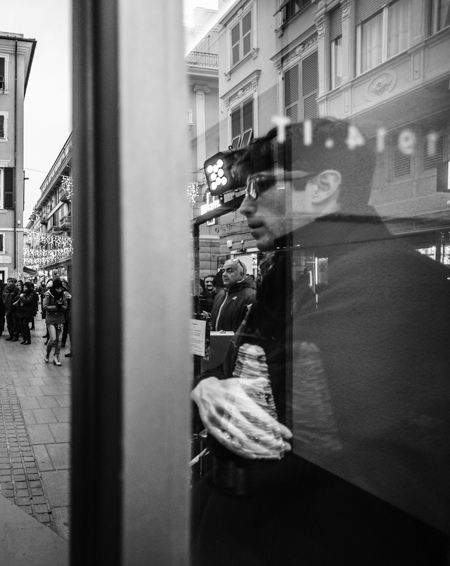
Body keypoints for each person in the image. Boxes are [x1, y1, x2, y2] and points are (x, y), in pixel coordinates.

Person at [191, 118, 450, 565]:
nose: (245, 206)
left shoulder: (392, 282)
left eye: (260, 186)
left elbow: (275, 425)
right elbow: (233, 376)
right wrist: (208, 387)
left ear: (324, 187)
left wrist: (214, 394)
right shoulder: (291, 271)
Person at [209, 258, 255, 332]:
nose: (224, 274)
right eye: (223, 271)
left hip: (236, 339)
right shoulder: (219, 295)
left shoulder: (251, 296)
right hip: (217, 339)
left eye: (229, 271)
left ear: (241, 275)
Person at [42, 278, 68, 366]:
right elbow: (45, 307)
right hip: (51, 319)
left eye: (60, 288)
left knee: (59, 340)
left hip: (60, 319)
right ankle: (47, 354)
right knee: (53, 338)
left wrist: (61, 307)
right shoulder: (48, 294)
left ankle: (56, 357)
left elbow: (65, 306)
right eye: (57, 288)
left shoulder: (63, 295)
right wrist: (56, 307)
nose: (59, 290)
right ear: (54, 288)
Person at [17, 281, 38, 345]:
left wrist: (22, 297)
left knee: (25, 325)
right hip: (21, 311)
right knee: (22, 326)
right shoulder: (23, 293)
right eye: (24, 287)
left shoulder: (31, 294)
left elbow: (27, 301)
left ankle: (28, 340)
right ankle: (24, 339)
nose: (24, 288)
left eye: (26, 287)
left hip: (27, 312)